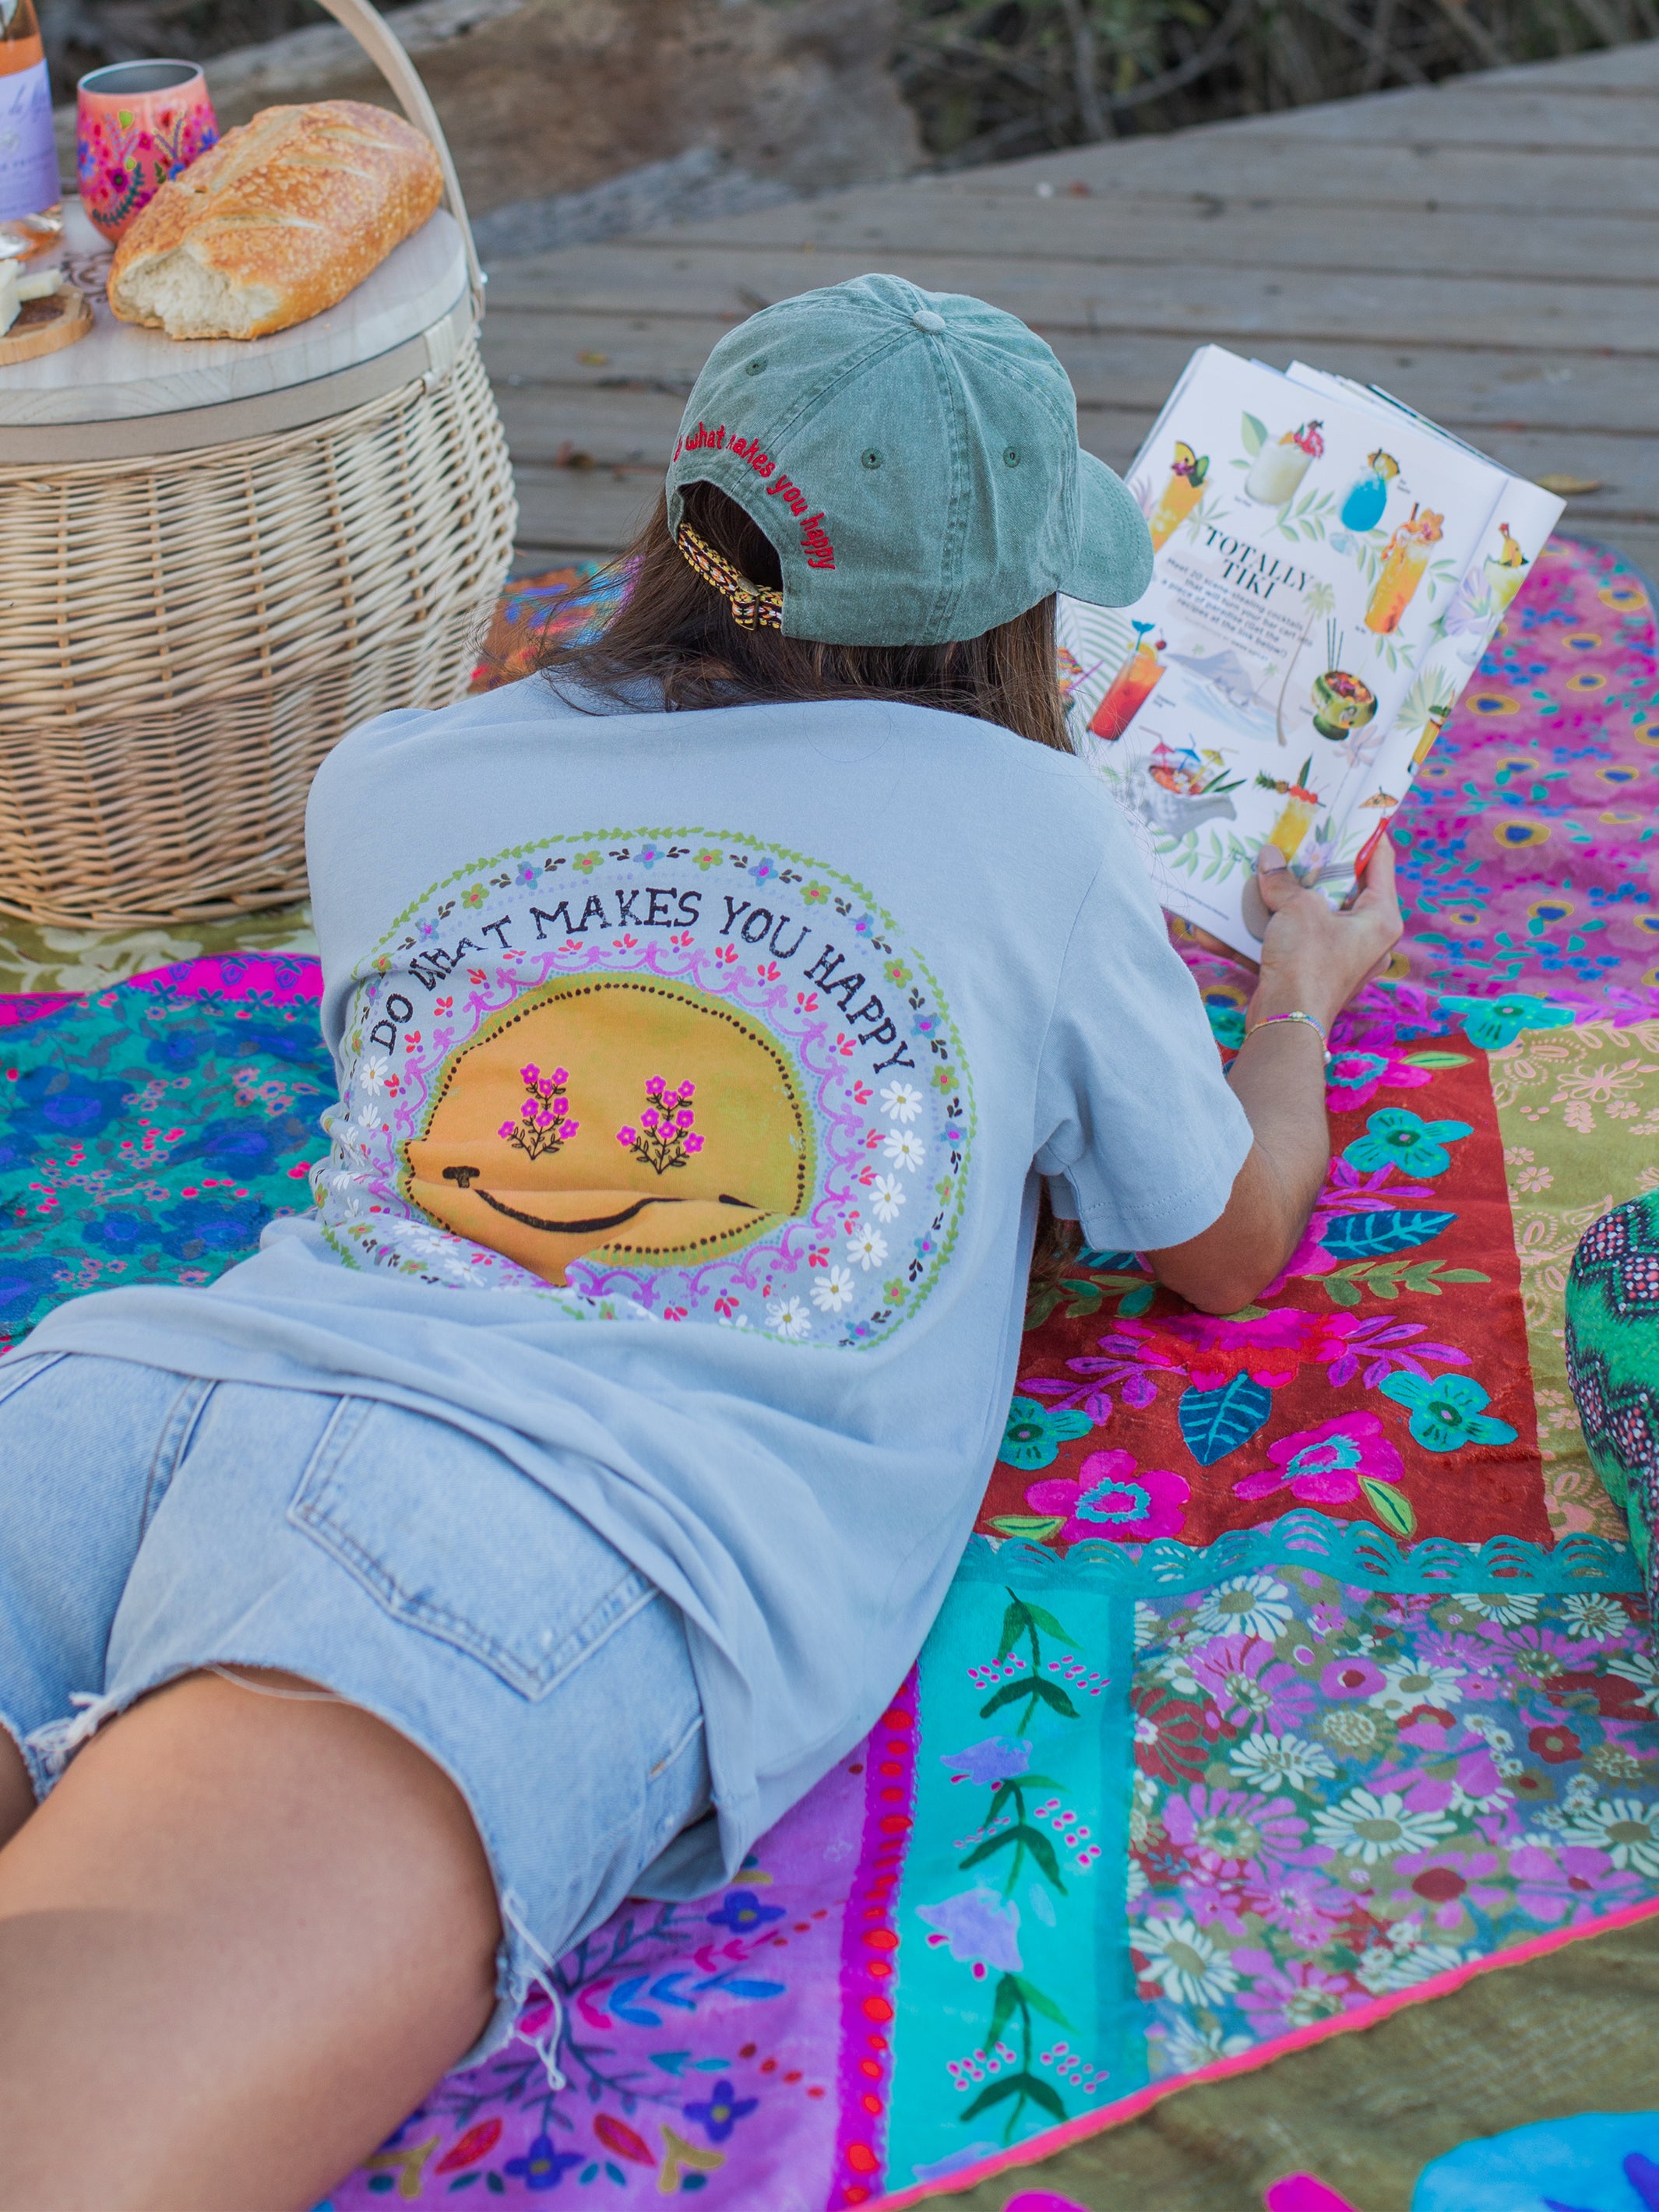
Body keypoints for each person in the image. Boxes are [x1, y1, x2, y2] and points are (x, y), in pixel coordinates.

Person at [0, 273, 1401, 2210]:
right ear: (1013, 619)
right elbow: (1224, 1242)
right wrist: (1300, 997)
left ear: (680, 525)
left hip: (124, 1393)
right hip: (518, 1520)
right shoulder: (1041, 821)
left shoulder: (396, 771)